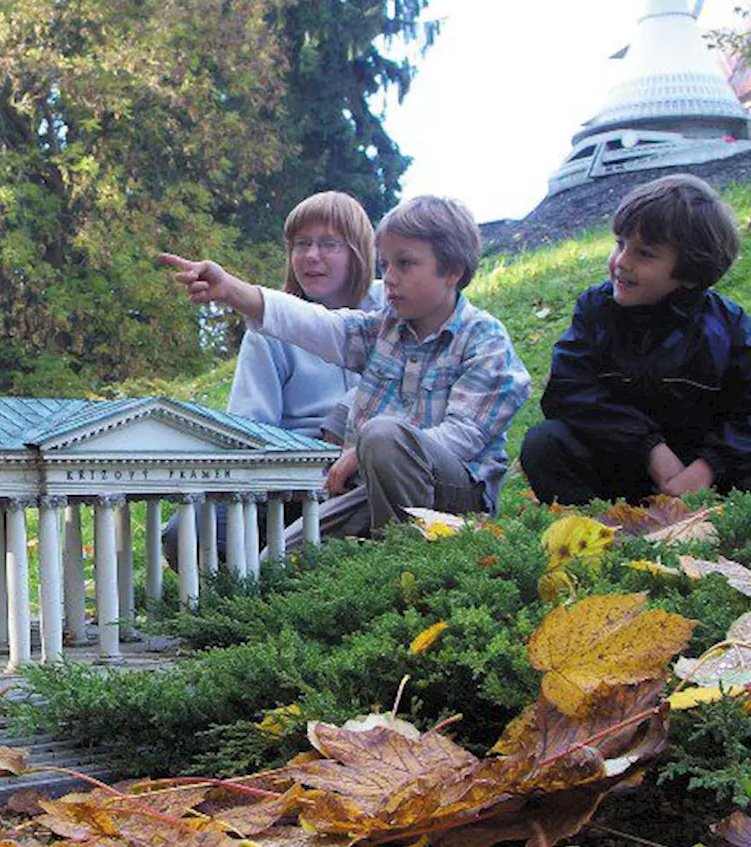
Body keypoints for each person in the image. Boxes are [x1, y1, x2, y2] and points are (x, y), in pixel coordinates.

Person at [160, 195, 530, 543]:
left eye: (405, 264)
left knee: (383, 436)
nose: (392, 278)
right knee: (282, 561)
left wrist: (365, 448)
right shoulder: (386, 328)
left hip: (453, 492)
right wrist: (230, 289)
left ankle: (405, 562)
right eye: (386, 265)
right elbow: (321, 327)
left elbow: (463, 437)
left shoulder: (485, 341)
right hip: (361, 483)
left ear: (452, 270)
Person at [520, 173, 751, 505]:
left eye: (644, 253)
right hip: (619, 466)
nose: (621, 262)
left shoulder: (727, 326)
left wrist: (708, 467)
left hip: (709, 479)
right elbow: (568, 391)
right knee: (544, 444)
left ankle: (727, 531)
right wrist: (649, 448)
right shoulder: (595, 311)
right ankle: (596, 534)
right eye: (620, 244)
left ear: (690, 273)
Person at [161, 191, 385, 566]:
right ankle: (245, 602)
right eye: (302, 244)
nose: (312, 256)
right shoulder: (267, 329)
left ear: (359, 252)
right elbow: (251, 428)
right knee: (186, 532)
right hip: (291, 482)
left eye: (329, 244)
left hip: (374, 466)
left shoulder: (390, 310)